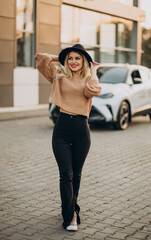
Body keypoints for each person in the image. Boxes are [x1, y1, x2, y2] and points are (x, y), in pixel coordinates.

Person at [35, 44, 101, 231]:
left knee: (76, 175)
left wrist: (93, 70)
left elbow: (93, 91)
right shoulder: (59, 76)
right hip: (62, 129)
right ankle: (70, 216)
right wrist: (61, 58)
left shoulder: (89, 79)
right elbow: (40, 58)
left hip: (81, 129)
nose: (73, 62)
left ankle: (72, 208)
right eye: (70, 58)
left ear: (84, 62)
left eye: (77, 58)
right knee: (66, 175)